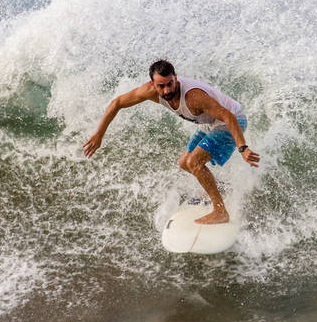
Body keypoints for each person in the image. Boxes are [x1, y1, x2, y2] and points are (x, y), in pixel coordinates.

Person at [82, 59, 260, 224]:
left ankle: (220, 211)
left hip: (231, 120)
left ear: (175, 78)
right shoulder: (150, 91)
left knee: (194, 163)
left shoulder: (193, 96)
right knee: (184, 163)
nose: (167, 90)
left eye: (170, 84)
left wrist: (243, 148)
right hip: (208, 123)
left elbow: (228, 116)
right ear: (153, 84)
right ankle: (217, 189)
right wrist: (99, 135)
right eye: (161, 86)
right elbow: (117, 103)